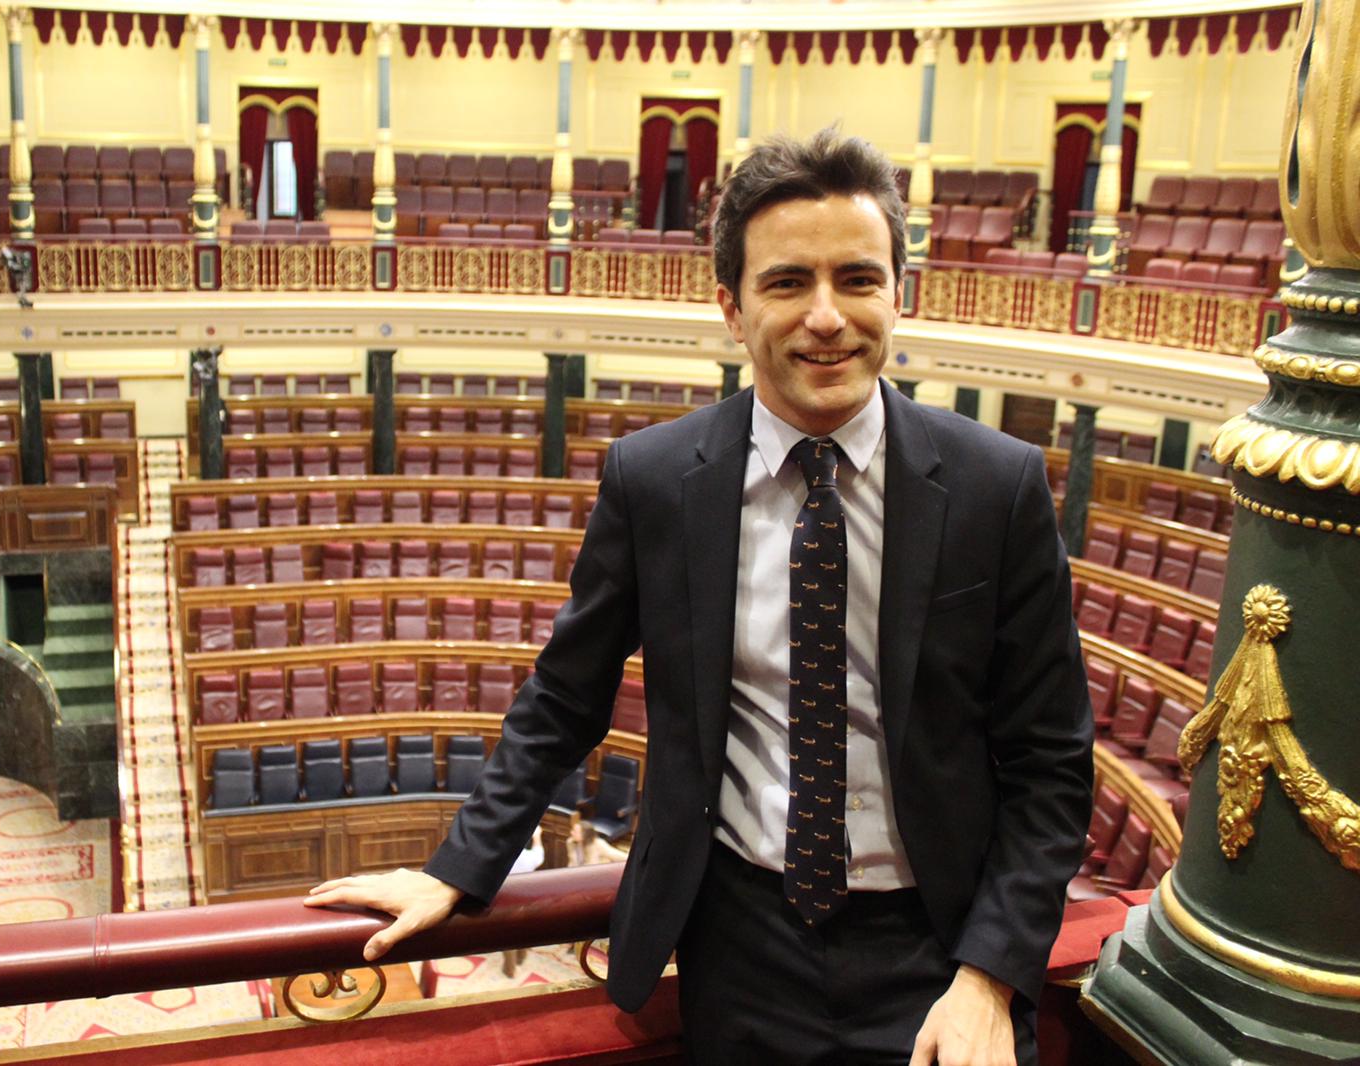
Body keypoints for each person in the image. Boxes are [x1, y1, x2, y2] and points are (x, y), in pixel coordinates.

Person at [307, 128, 1094, 1065]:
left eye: (857, 279)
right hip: (738, 945)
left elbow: (1051, 762)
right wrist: (459, 867)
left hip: (942, 950)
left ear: (898, 293)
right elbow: (566, 695)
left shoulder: (997, 486)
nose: (828, 317)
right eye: (788, 282)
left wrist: (990, 975)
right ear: (731, 306)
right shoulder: (654, 480)